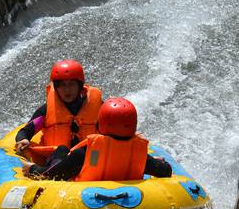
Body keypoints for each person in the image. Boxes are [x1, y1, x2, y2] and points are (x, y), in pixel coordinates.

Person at [23, 97, 172, 181]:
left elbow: (53, 176)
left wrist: (32, 169)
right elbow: (166, 171)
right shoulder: (140, 155)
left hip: (84, 200)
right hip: (131, 205)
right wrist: (158, 162)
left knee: (62, 150)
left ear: (102, 123)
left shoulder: (87, 152)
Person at [14, 59, 103, 165]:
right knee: (62, 150)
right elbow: (25, 131)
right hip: (58, 159)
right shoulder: (46, 110)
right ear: (56, 87)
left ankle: (42, 172)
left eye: (71, 84)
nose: (67, 89)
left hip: (90, 160)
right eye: (62, 85)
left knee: (85, 151)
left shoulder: (99, 108)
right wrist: (23, 139)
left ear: (80, 85)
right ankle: (48, 172)